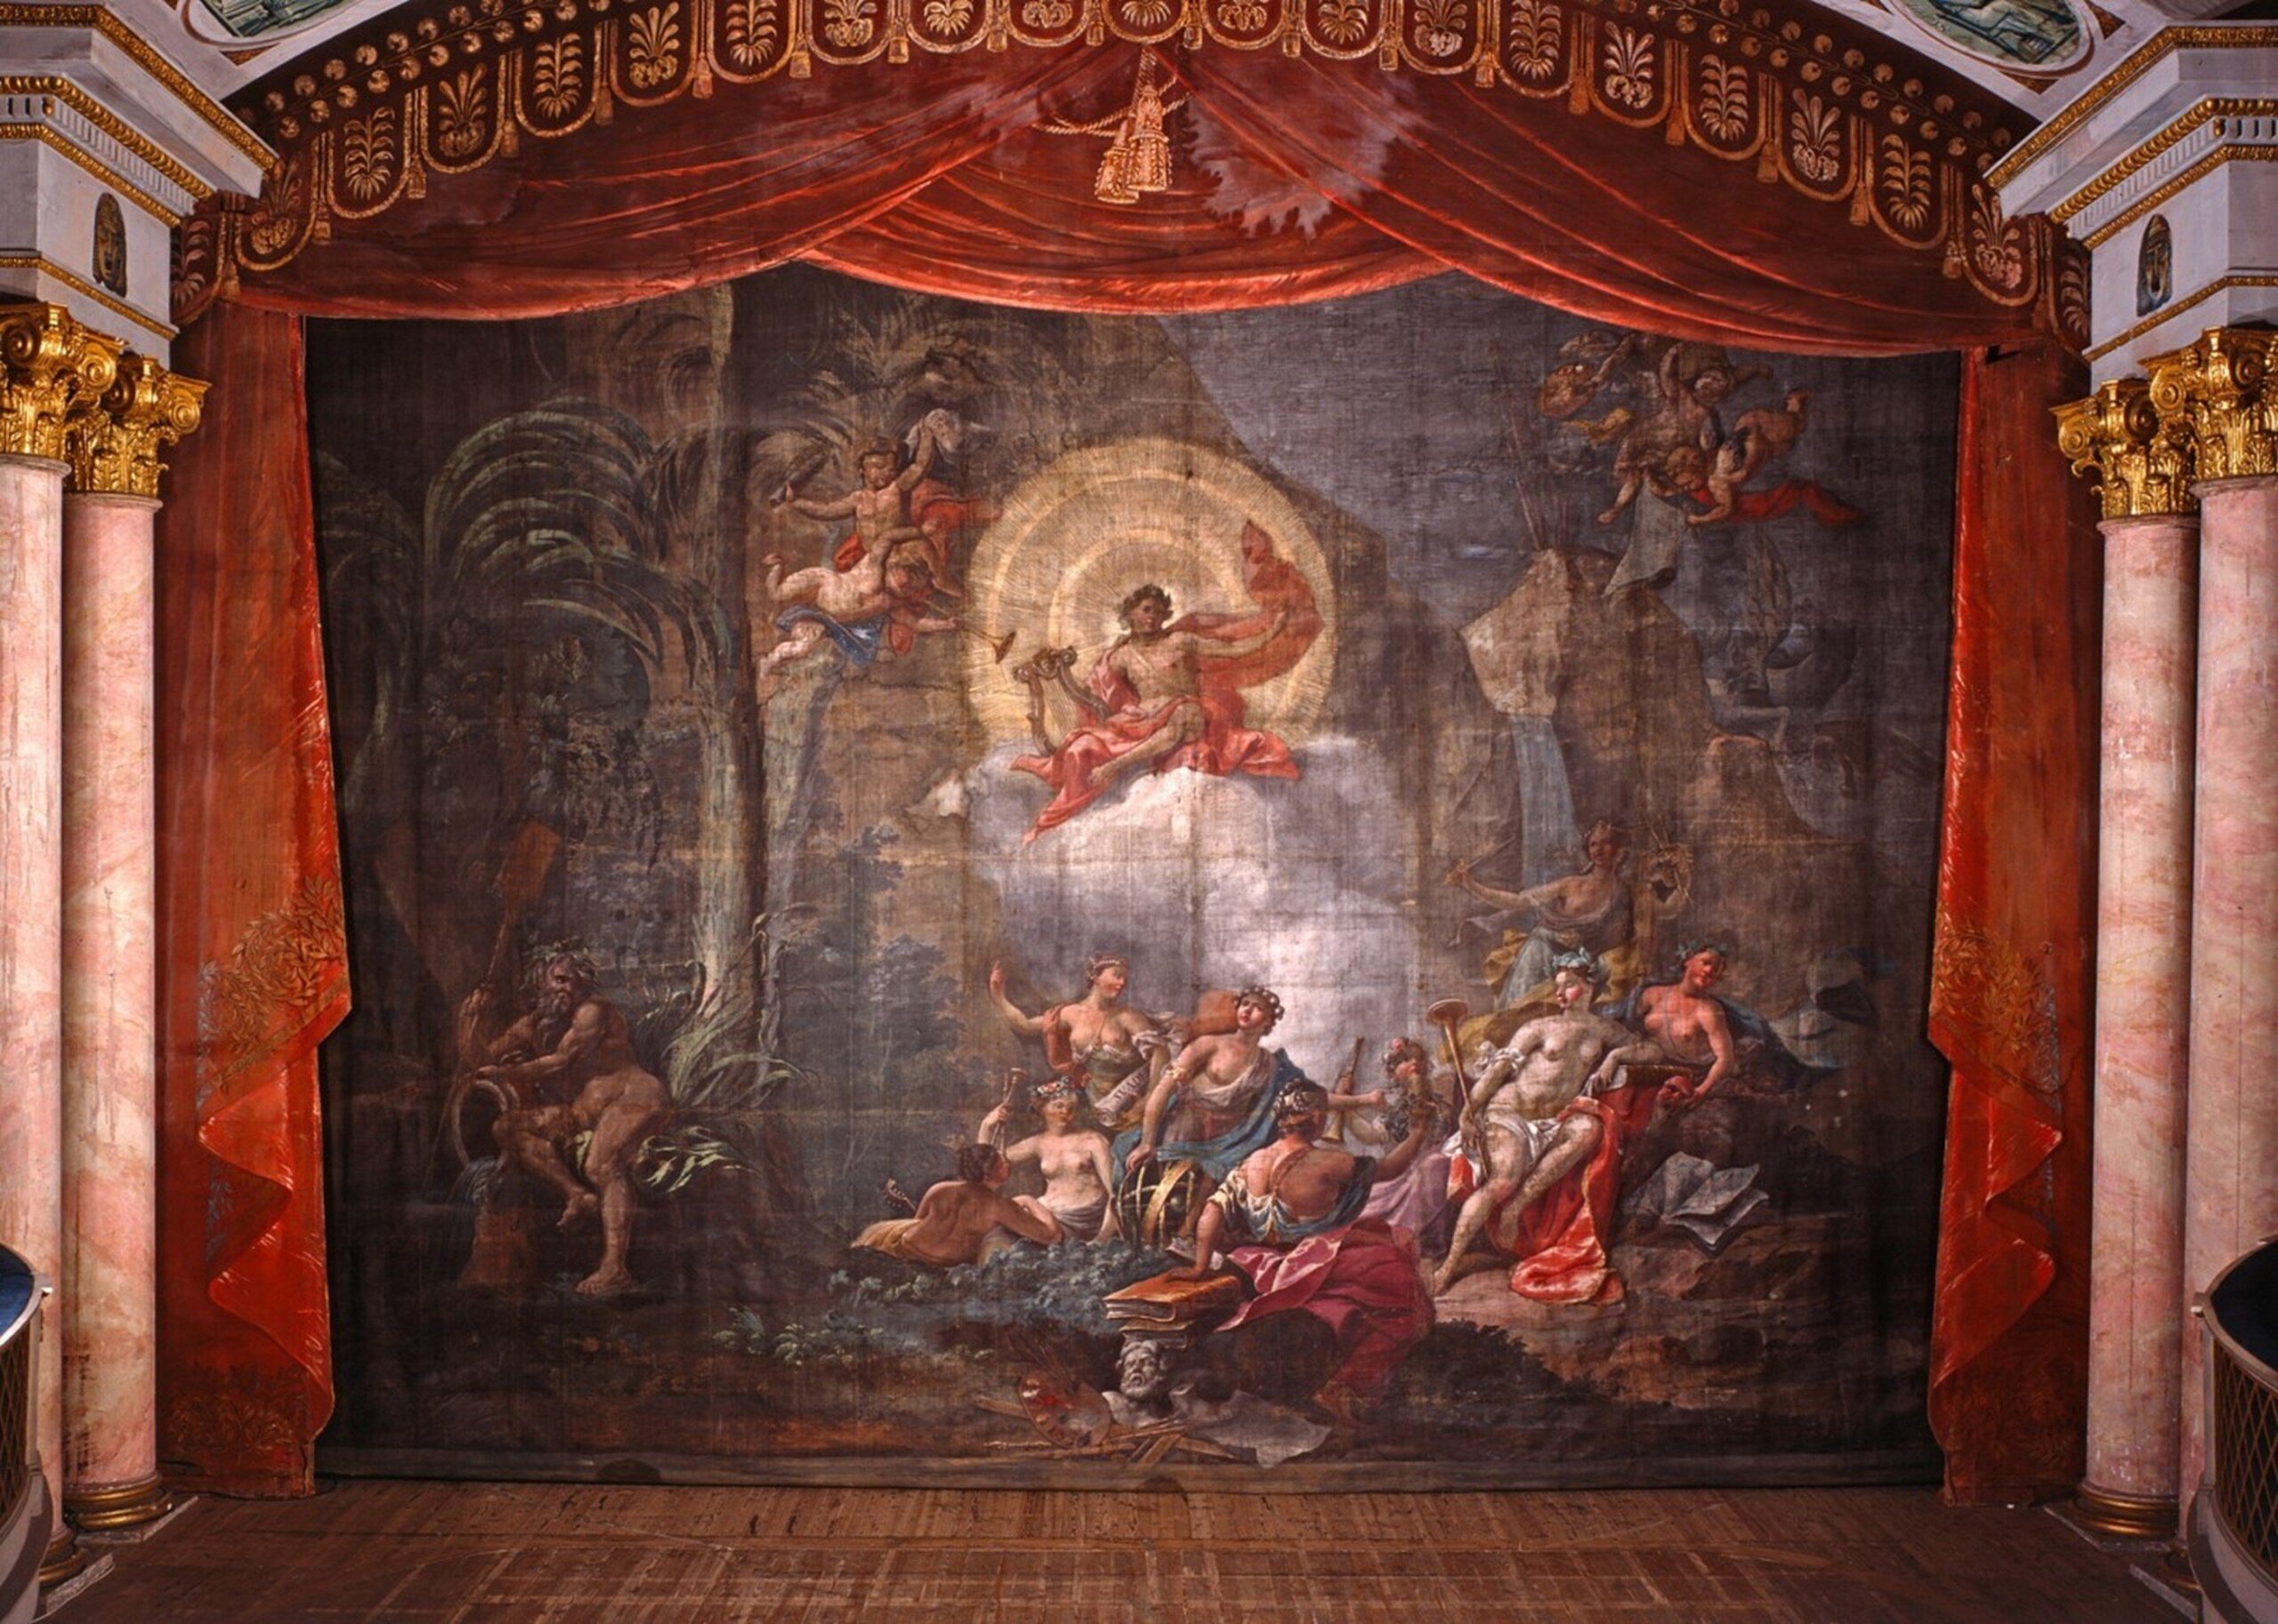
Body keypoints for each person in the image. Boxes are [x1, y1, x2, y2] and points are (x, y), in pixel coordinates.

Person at [1175, 1080, 1437, 1424]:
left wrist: (1199, 1267)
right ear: (1316, 1117)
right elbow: (1389, 1169)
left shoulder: (1251, 1163)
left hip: (1260, 1262)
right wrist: (1418, 1133)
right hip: (1313, 1261)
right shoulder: (1328, 1161)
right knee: (1398, 1286)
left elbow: (1212, 1212)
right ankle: (1346, 1385)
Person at [1433, 953, 1666, 1301]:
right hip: (1508, 1113)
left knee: (1589, 1129)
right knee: (1503, 1179)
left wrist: (1616, 1056)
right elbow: (1497, 1072)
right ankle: (1449, 1265)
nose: (1559, 993)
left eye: (1569, 985)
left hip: (1551, 1122)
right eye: (1558, 986)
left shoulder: (1604, 1030)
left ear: (1590, 987)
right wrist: (1468, 1113)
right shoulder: (1538, 1028)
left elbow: (1653, 1051)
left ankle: (1518, 1206)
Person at [1009, 582, 1299, 840]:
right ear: (1130, 614)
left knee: (1184, 717)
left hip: (1185, 712)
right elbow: (1104, 695)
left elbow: (1237, 650)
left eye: (1159, 612)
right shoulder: (1121, 656)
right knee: (1082, 747)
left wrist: (1275, 630)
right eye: (1146, 610)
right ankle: (1051, 812)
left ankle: (1114, 765)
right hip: (1141, 722)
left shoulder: (1180, 641)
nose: (1152, 617)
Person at [461, 951, 672, 1297]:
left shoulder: (593, 1011)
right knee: (506, 1128)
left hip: (633, 1096)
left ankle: (615, 1269)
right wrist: (470, 1018)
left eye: (573, 982)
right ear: (541, 982)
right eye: (559, 980)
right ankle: (575, 1194)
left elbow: (561, 1062)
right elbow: (480, 1062)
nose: (566, 989)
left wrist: (506, 1072)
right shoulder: (532, 1024)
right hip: (583, 1110)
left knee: (601, 1164)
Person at [1448, 819, 1636, 1005]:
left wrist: (1582, 943)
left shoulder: (1624, 894)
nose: (1598, 850)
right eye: (1593, 844)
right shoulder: (1571, 884)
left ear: (1620, 849)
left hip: (1585, 966)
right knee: (1525, 1005)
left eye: (1606, 843)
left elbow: (1622, 937)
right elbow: (1517, 901)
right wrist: (1470, 884)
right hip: (1545, 953)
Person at [756, 541, 958, 699]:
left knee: (802, 648)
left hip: (822, 618)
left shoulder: (890, 603)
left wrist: (946, 625)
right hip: (821, 582)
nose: (908, 588)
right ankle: (779, 565)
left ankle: (770, 660)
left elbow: (916, 624)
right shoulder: (874, 567)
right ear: (897, 568)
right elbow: (886, 541)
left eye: (913, 588)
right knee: (777, 594)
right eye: (910, 579)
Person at [988, 952, 1167, 1123]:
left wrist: (1149, 1096)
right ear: (1096, 977)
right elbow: (1025, 1025)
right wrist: (998, 996)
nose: (1122, 983)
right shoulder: (1070, 1014)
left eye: (1125, 979)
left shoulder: (1129, 1016)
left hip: (1130, 1104)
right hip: (1089, 1105)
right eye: (1117, 976)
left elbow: (1161, 1053)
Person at [853, 1142, 1062, 1267]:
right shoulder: (999, 1205)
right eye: (1002, 1163)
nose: (1008, 1164)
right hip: (940, 1263)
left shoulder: (940, 1189)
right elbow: (1052, 1236)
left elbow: (917, 1221)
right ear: (990, 1174)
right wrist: (1028, 1201)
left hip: (906, 1246)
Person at [1337, 1037, 1457, 1252]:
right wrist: (1347, 1107)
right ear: (1393, 1073)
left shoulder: (1440, 1105)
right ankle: (1396, 1236)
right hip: (1398, 1173)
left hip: (1431, 1169)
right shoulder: (1393, 1109)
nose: (1414, 1063)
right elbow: (1370, 1135)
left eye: (1418, 1058)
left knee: (1434, 1164)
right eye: (1405, 1060)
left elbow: (1448, 1135)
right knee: (1360, 1200)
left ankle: (1415, 1236)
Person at [977, 1075, 1119, 1241]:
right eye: (1059, 1106)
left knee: (1021, 1208)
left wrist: (1101, 1239)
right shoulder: (1039, 1143)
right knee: (1001, 1228)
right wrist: (986, 1126)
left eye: (1071, 1108)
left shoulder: (1093, 1141)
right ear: (1042, 1108)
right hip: (1051, 1217)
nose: (1065, 1112)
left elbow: (1115, 1195)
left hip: (1087, 1221)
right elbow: (987, 1162)